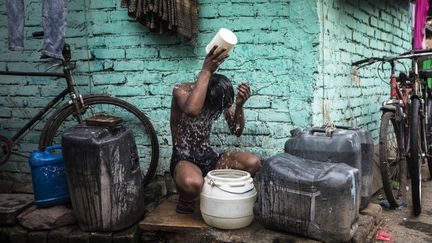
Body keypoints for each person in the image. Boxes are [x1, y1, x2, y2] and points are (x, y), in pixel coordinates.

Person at [170, 46, 262, 214]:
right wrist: (206, 70)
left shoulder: (217, 96)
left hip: (208, 157)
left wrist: (239, 106)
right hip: (185, 159)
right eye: (212, 108)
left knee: (253, 162)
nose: (214, 112)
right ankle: (189, 196)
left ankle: (215, 194)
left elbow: (236, 130)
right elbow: (192, 110)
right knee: (193, 183)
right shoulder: (181, 91)